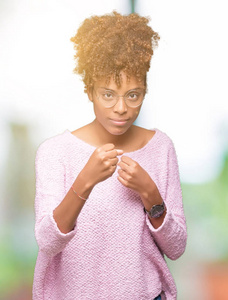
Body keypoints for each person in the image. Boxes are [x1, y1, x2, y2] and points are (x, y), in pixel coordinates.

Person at [33, 11, 187, 300]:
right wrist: (84, 183)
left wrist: (150, 194)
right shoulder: (54, 152)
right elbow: (47, 241)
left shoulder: (161, 147)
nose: (121, 108)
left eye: (133, 94)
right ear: (89, 90)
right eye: (108, 94)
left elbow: (176, 248)